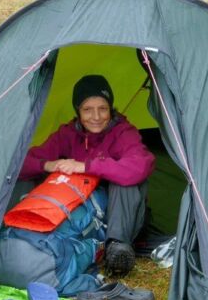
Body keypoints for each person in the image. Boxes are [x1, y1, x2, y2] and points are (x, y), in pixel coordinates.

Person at [18, 75, 155, 276]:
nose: (96, 116)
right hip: (86, 215)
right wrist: (48, 164)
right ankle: (21, 231)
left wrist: (86, 166)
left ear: (111, 109)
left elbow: (140, 166)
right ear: (78, 112)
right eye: (87, 109)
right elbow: (20, 165)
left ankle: (116, 248)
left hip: (123, 217)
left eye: (103, 108)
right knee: (30, 176)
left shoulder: (123, 133)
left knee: (125, 181)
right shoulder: (68, 134)